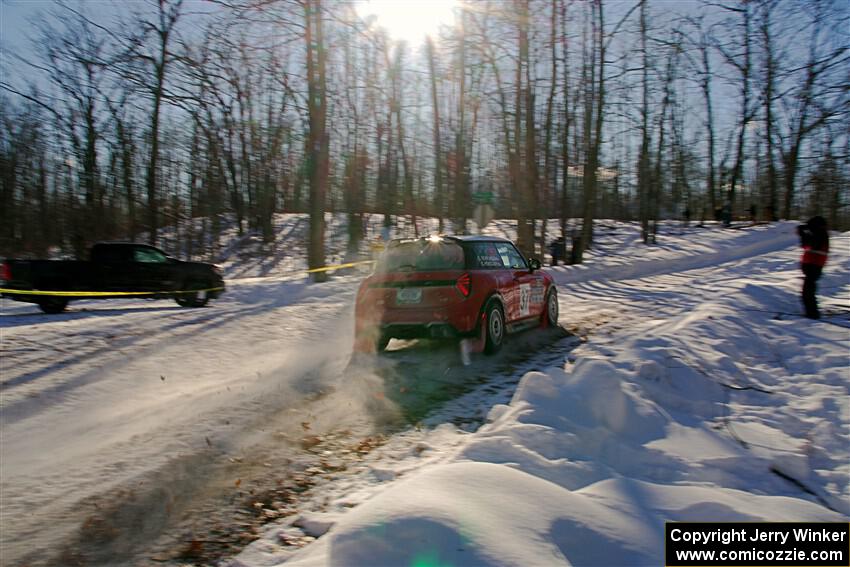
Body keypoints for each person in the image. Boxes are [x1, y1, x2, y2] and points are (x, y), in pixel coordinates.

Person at [797, 216, 829, 319]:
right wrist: (803, 234)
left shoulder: (821, 234)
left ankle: (812, 314)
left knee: (808, 292)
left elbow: (812, 245)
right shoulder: (818, 233)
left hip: (814, 266)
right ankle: (811, 313)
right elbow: (805, 245)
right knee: (808, 291)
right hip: (812, 266)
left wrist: (804, 234)